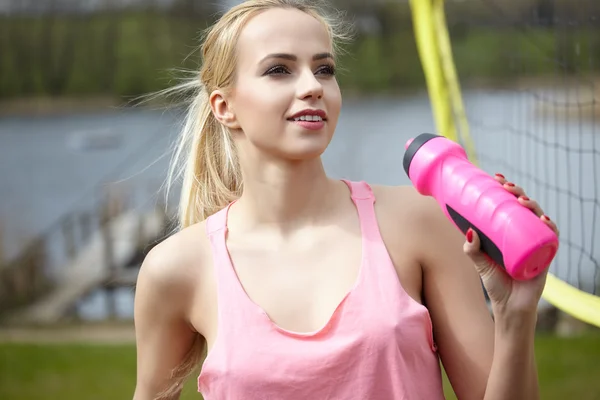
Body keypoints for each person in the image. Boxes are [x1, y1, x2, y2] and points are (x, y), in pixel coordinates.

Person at [133, 1, 560, 399]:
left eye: (324, 69)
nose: (312, 87)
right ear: (224, 107)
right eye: (280, 70)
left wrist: (515, 313)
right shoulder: (175, 269)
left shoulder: (420, 222)